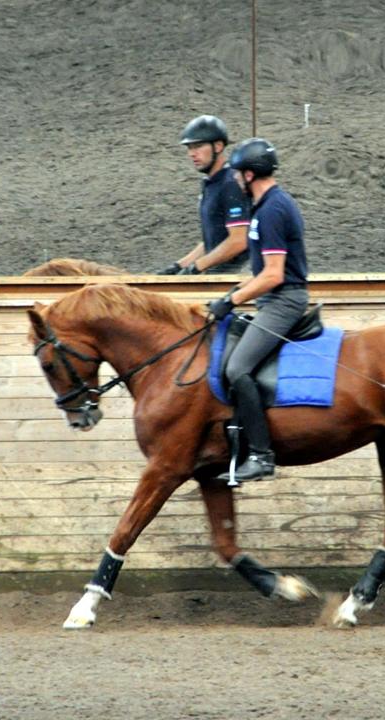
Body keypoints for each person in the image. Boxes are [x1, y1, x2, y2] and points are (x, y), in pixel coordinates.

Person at [207, 138, 309, 483]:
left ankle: (262, 456)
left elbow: (274, 274)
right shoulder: (267, 207)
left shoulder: (271, 211)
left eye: (238, 174)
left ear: (249, 174)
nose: (235, 180)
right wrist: (235, 292)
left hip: (284, 301)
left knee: (237, 368)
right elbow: (261, 273)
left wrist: (231, 301)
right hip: (272, 299)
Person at [157, 115, 251, 275]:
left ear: (218, 146)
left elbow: (239, 241)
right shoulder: (211, 184)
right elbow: (213, 240)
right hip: (217, 272)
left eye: (198, 146)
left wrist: (197, 267)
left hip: (235, 276)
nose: (192, 154)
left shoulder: (231, 183)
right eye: (189, 148)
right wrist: (179, 266)